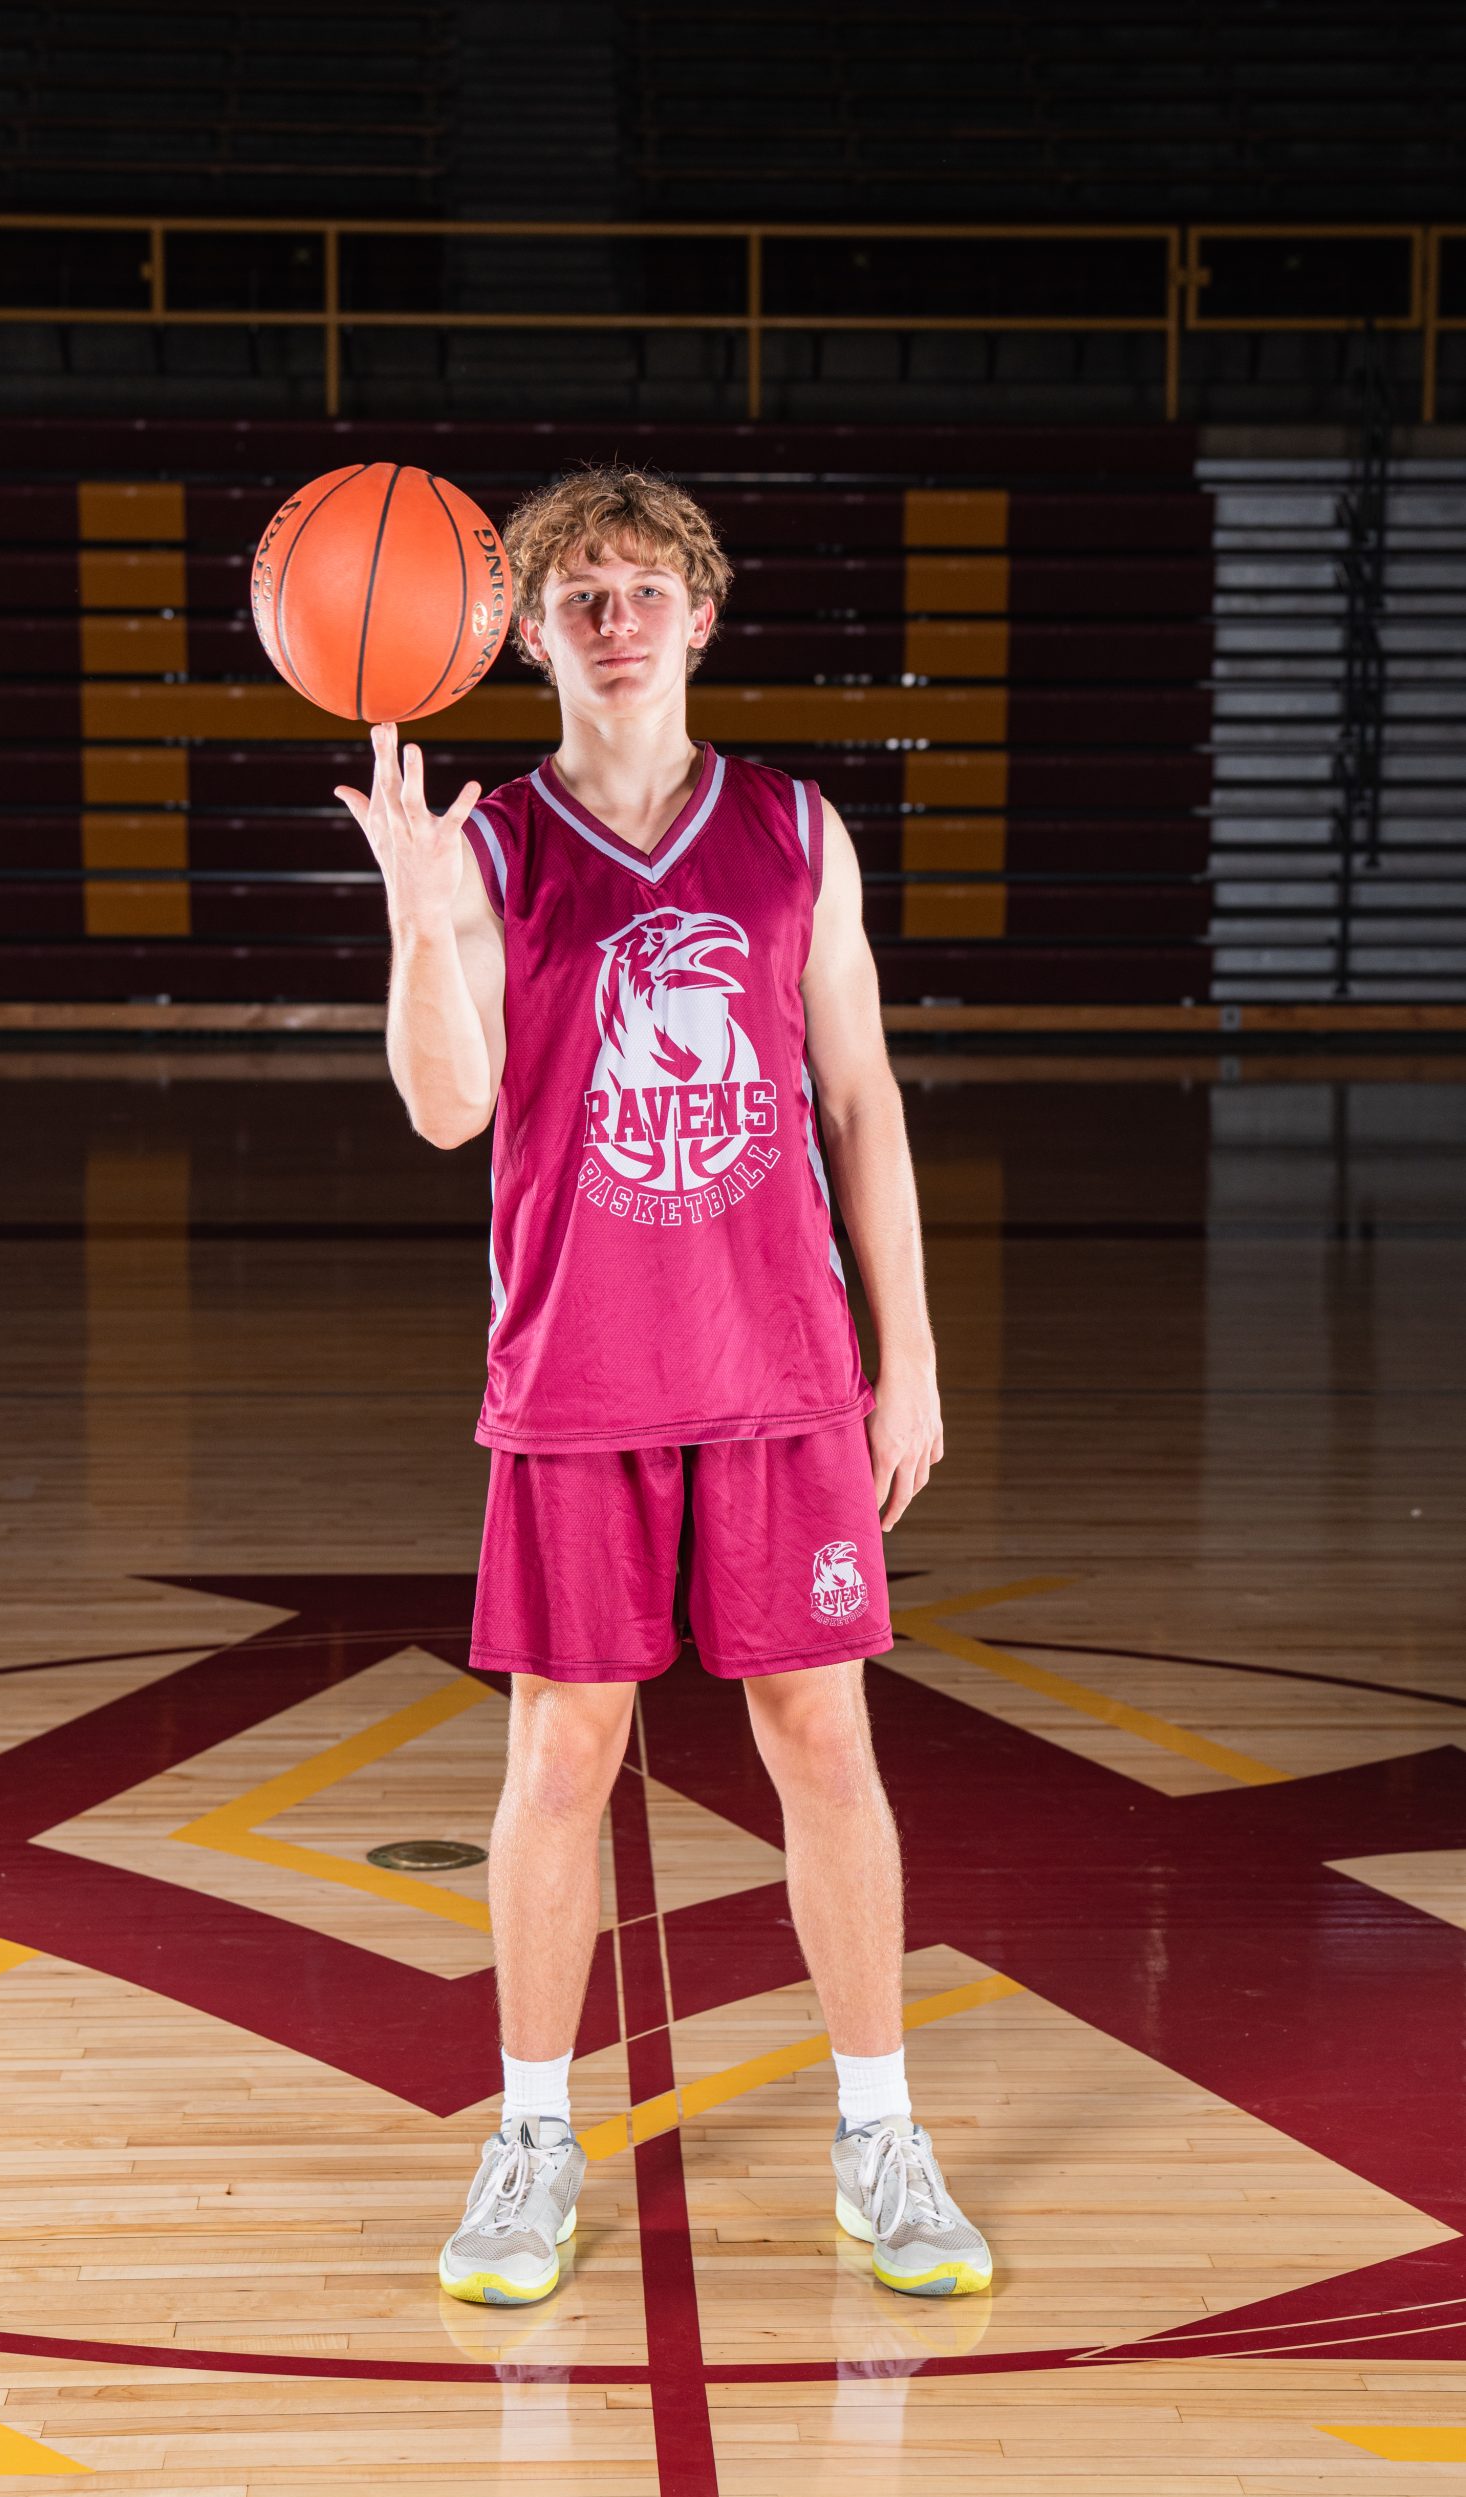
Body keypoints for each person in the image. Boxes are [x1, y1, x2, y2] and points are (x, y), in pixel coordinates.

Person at [335, 464, 992, 2312]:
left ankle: (878, 2133)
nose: (614, 624)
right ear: (525, 635)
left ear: (702, 617)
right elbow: (445, 1109)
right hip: (578, 1378)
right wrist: (413, 913)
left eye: (642, 592)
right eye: (579, 599)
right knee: (560, 1758)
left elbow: (857, 1100)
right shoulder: (489, 849)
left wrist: (910, 1360)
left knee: (824, 1744)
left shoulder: (791, 829)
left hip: (781, 1374)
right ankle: (532, 2136)